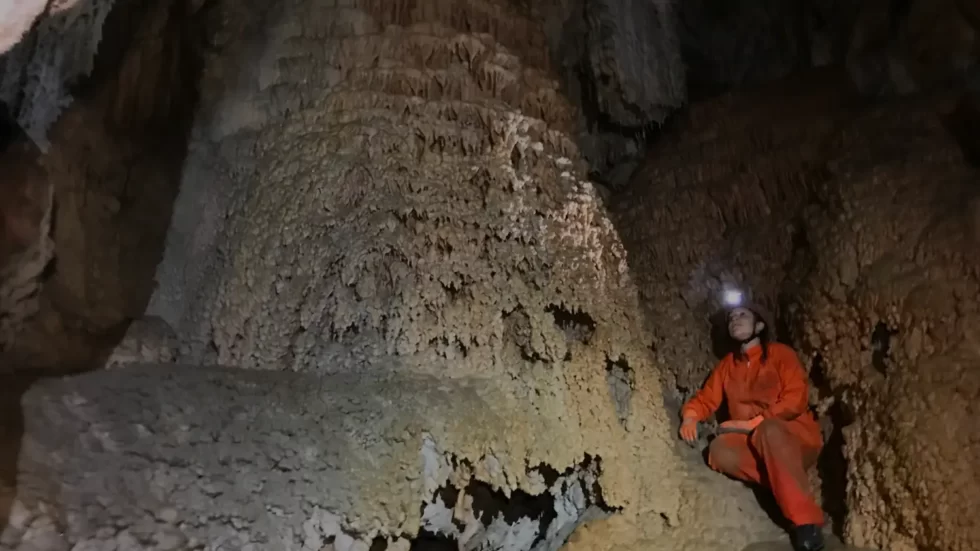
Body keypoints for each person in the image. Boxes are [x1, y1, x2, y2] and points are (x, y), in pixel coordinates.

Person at [679, 297, 825, 551]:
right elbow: (706, 399)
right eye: (732, 318)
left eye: (743, 315)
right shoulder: (727, 366)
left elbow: (796, 398)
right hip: (755, 445)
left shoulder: (781, 355)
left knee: (769, 431)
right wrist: (690, 415)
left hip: (793, 436)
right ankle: (786, 488)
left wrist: (757, 422)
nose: (735, 320)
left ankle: (807, 525)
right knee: (719, 450)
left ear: (759, 326)